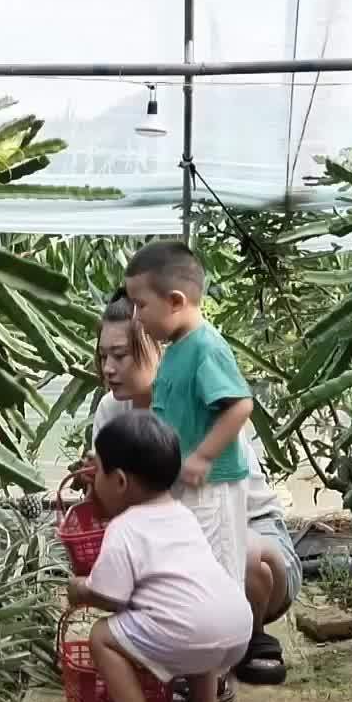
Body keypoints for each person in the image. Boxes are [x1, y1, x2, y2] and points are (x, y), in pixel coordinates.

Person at [84, 295, 298, 688]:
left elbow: (223, 507)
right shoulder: (111, 412)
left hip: (250, 532)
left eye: (121, 356)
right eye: (103, 357)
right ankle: (196, 658)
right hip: (182, 536)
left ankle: (249, 635)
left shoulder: (200, 405)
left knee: (237, 559)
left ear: (156, 347)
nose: (109, 369)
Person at [68, 410, 252, 702]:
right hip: (236, 626)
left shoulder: (125, 528)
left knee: (102, 636)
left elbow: (110, 596)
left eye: (99, 474)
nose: (94, 482)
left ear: (120, 482)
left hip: (192, 629)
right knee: (199, 627)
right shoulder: (183, 514)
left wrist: (80, 588)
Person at [122, 240, 254, 586]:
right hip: (186, 483)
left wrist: (204, 456)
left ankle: (229, 635)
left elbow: (240, 405)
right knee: (193, 572)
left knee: (218, 573)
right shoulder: (177, 349)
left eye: (141, 305)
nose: (136, 318)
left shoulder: (206, 347)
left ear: (176, 302)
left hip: (213, 488)